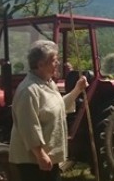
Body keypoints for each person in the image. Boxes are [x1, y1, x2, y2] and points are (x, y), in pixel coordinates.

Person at [9, 40, 88, 181]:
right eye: (54, 60)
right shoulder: (29, 90)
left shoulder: (48, 83)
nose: (58, 63)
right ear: (40, 64)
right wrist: (40, 155)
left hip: (48, 157)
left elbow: (57, 108)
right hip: (32, 161)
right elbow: (29, 126)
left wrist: (77, 90)